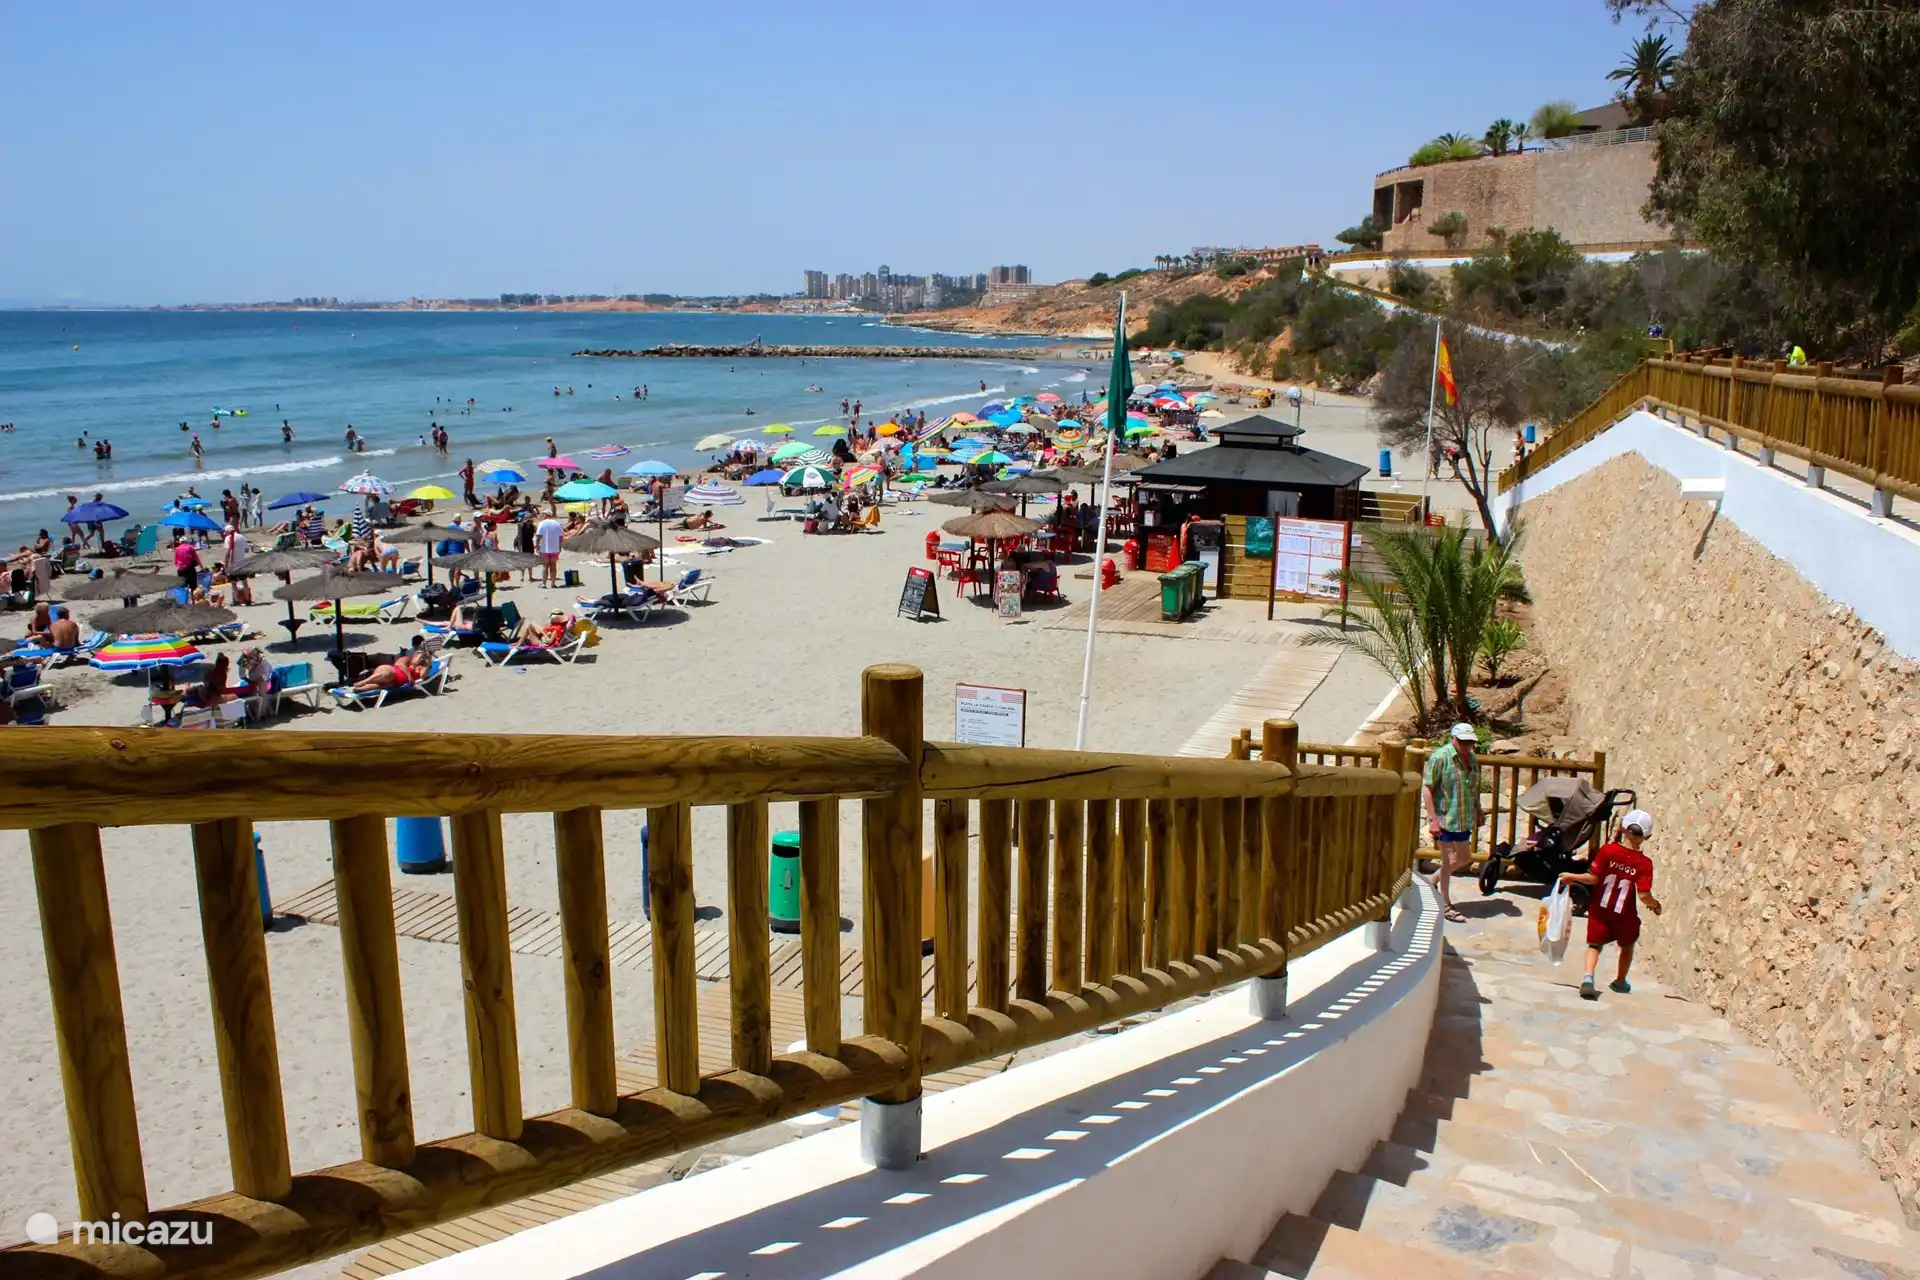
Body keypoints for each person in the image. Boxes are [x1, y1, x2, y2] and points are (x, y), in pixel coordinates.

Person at [1558, 810, 1662, 998]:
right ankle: (1620, 981)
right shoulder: (1644, 863)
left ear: (1623, 828)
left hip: (1600, 909)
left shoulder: (1608, 850)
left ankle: (1588, 977)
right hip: (1624, 913)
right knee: (1627, 944)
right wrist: (1655, 905)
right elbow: (1644, 895)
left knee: (1594, 945)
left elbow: (1593, 878)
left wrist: (1571, 877)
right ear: (1647, 836)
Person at [1423, 722, 1480, 924]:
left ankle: (1434, 880)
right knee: (1447, 861)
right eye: (1463, 742)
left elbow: (1473, 787)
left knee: (1464, 857)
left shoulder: (1472, 759)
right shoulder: (1440, 757)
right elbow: (1428, 788)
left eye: (1469, 742)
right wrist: (1433, 820)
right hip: (1445, 817)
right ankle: (1445, 904)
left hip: (1462, 817)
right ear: (1453, 739)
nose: (1466, 746)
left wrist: (1478, 809)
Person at [349, 648, 428, 694]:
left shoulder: (421, 667)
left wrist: (428, 663)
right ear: (414, 655)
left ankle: (360, 689)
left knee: (384, 685)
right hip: (392, 671)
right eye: (419, 657)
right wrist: (409, 676)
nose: (420, 659)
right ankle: (364, 682)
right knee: (387, 675)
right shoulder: (407, 659)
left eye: (422, 658)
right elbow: (400, 664)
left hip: (395, 682)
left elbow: (422, 676)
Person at [535, 510, 565, 587]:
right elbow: (561, 537)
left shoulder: (542, 523)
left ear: (546, 515)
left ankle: (543, 584)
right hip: (555, 548)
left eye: (543, 514)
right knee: (553, 565)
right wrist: (559, 546)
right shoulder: (557, 523)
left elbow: (538, 536)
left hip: (545, 548)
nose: (542, 516)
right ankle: (553, 583)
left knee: (545, 566)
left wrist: (537, 545)